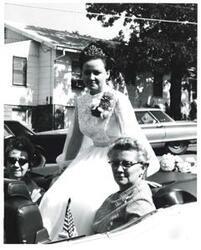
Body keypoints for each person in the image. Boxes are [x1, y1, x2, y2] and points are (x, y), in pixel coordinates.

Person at [39, 42, 160, 241]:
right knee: (54, 198)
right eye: (87, 72)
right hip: (87, 160)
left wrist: (139, 173)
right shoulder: (81, 101)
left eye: (96, 72)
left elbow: (132, 137)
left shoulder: (119, 99)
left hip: (114, 160)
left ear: (107, 73)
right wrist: (63, 168)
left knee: (87, 205)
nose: (91, 77)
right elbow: (75, 139)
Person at [93, 137, 156, 233]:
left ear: (143, 167)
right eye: (115, 163)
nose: (118, 169)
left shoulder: (140, 202)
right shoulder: (119, 194)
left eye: (126, 164)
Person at [4, 136, 45, 205]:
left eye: (22, 161)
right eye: (12, 160)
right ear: (6, 162)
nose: (16, 165)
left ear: (29, 165)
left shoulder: (36, 194)